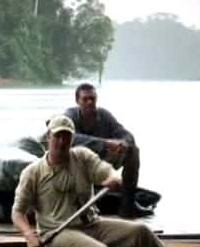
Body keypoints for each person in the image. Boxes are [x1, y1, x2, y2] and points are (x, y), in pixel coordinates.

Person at [11, 114, 170, 247]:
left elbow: (107, 172)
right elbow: (18, 212)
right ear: (48, 137)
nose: (62, 141)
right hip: (57, 233)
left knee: (142, 232)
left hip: (92, 225)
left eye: (67, 136)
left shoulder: (82, 156)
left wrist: (112, 179)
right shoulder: (33, 172)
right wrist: (28, 235)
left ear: (72, 138)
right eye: (57, 136)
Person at [64, 83, 150, 218]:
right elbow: (72, 138)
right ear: (77, 101)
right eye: (85, 99)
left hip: (100, 163)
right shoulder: (69, 116)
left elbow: (125, 133)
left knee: (133, 151)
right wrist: (104, 143)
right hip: (77, 164)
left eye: (92, 98)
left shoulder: (104, 115)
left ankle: (128, 205)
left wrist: (123, 143)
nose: (89, 102)